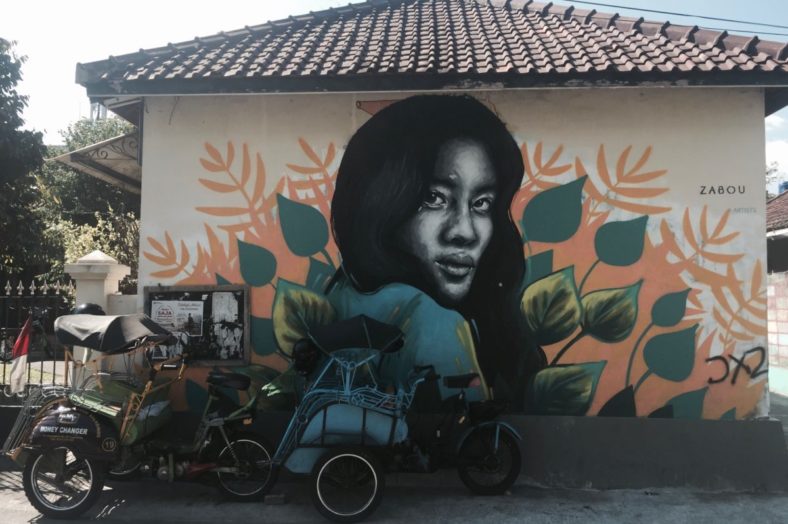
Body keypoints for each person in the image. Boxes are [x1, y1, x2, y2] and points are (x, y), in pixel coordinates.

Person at [330, 95, 546, 402]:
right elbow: (465, 420)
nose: (464, 232)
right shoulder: (434, 322)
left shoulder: (340, 295)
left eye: (482, 203)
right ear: (380, 202)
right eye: (434, 198)